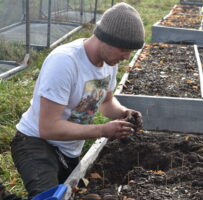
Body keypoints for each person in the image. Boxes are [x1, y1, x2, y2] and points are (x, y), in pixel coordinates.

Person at [10, 2, 144, 199]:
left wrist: (124, 112)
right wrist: (102, 130)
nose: (127, 56)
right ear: (105, 38)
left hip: (69, 150)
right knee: (49, 196)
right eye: (124, 49)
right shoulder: (65, 62)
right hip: (36, 142)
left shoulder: (109, 62)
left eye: (131, 51)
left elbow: (106, 102)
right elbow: (48, 127)